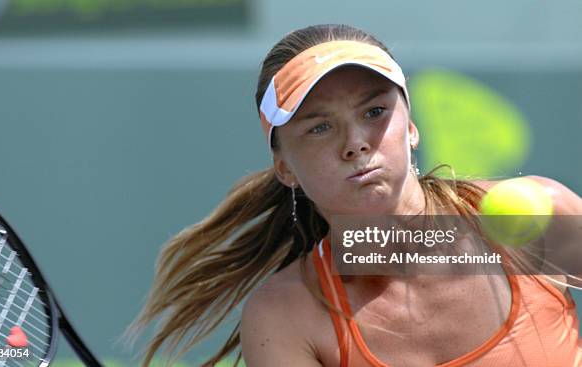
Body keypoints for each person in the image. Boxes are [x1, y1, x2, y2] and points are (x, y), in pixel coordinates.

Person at [128, 24, 582, 367]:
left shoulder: (542, 213)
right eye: (320, 127)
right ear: (285, 166)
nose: (355, 143)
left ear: (411, 127)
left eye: (375, 111)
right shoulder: (285, 316)